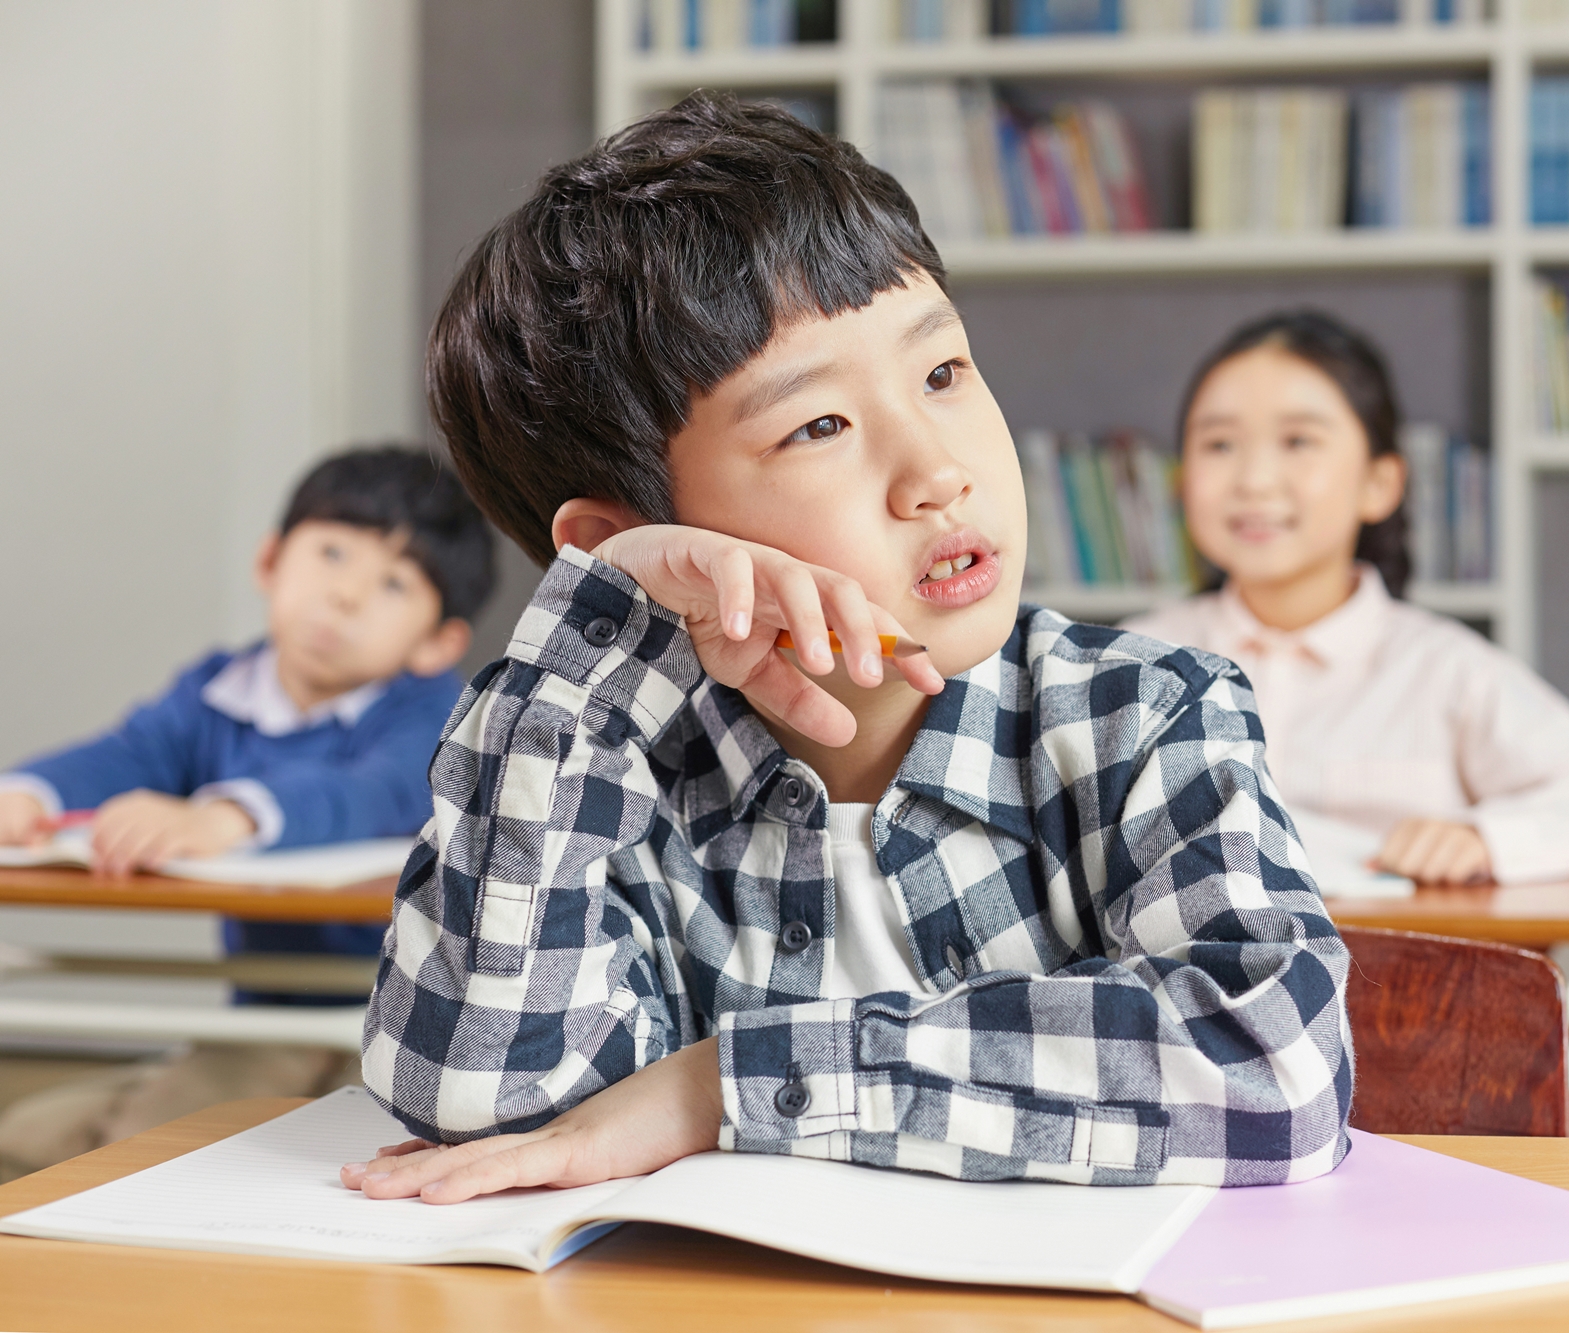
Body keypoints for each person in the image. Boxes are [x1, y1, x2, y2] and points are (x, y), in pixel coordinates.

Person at [340, 93, 1351, 1207]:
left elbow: (1273, 1066)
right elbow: (482, 1102)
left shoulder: (1142, 713)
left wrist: (713, 1086)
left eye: (943, 374)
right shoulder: (602, 775)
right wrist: (596, 646)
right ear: (624, 548)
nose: (937, 468)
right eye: (818, 424)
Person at [0, 447, 493, 1179]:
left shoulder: (437, 714)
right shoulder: (219, 689)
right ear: (270, 561)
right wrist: (28, 791)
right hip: (266, 1004)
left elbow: (369, 791)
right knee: (27, 1137)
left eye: (392, 584)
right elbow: (127, 754)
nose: (345, 596)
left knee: (166, 1149)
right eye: (330, 553)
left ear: (436, 643)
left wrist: (230, 815)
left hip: (405, 1017)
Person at [1123, 310, 1569, 888]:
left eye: (1298, 441)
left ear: (1380, 485)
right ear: (1181, 480)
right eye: (1219, 444)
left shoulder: (1444, 670)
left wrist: (1484, 839)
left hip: (1396, 976)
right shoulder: (1129, 661)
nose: (1255, 479)